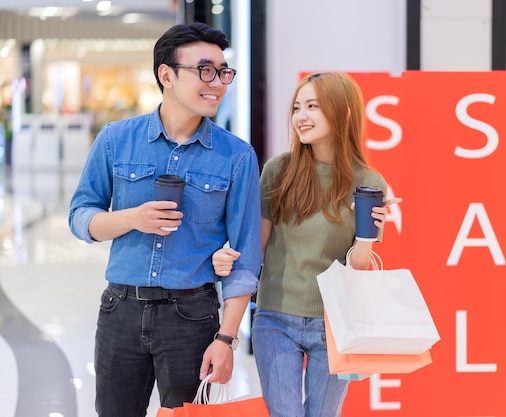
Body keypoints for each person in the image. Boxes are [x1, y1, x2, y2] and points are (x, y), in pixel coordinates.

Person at [68, 22, 262, 417]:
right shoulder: (115, 138)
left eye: (224, 72)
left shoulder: (236, 156)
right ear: (166, 75)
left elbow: (245, 258)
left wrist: (226, 339)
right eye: (205, 70)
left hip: (192, 318)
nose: (218, 83)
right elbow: (80, 217)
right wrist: (132, 218)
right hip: (120, 310)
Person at [213, 72, 401, 417]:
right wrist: (226, 256)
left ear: (343, 111)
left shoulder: (368, 182)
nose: (301, 116)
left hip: (334, 322)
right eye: (298, 107)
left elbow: (359, 268)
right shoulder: (278, 171)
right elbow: (257, 248)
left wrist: (365, 236)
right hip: (275, 318)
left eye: (312, 106)